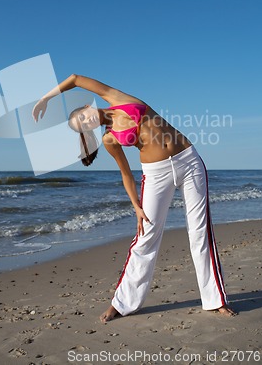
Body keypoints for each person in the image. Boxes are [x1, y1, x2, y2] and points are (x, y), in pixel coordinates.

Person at [32, 74, 236, 321]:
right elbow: (126, 175)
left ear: (88, 107)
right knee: (145, 237)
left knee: (199, 232)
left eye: (83, 117)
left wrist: (45, 98)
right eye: (83, 126)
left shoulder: (114, 97)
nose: (87, 121)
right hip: (156, 174)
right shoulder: (109, 138)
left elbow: (75, 79)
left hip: (189, 161)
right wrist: (136, 207)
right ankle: (122, 303)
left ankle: (216, 300)